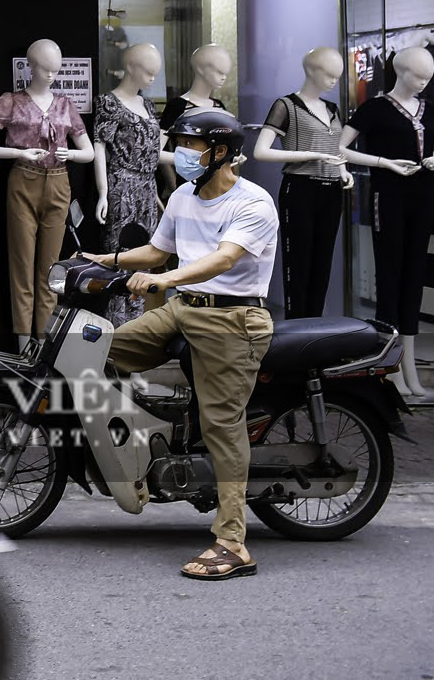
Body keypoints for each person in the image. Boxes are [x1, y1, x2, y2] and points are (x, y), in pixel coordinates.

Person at [78, 108, 276, 582]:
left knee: (223, 426)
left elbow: (222, 260)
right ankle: (151, 448)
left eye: (191, 145)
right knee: (96, 352)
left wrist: (161, 280)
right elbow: (157, 250)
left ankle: (232, 542)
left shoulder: (253, 203)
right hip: (183, 309)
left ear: (221, 152)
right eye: (181, 144)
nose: (182, 154)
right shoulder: (185, 195)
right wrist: (106, 260)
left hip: (233, 319)